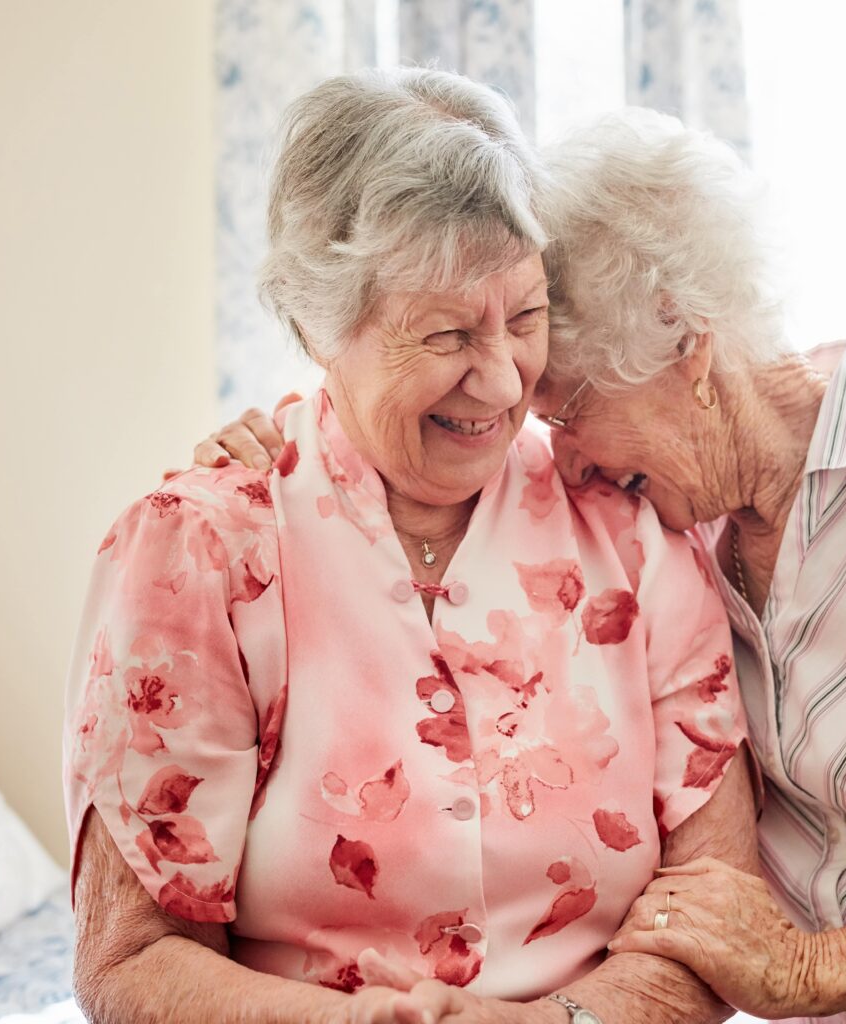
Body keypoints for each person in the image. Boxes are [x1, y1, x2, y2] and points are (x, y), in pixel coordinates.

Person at [205, 107, 846, 1023]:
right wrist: (291, 453)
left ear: (688, 353)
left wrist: (811, 967)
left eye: (567, 410)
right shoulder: (667, 537)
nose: (557, 455)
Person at [64, 71, 758, 1024]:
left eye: (524, 317)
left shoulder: (629, 529)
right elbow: (133, 960)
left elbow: (720, 907)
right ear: (319, 324)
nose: (502, 376)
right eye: (444, 333)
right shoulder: (201, 554)